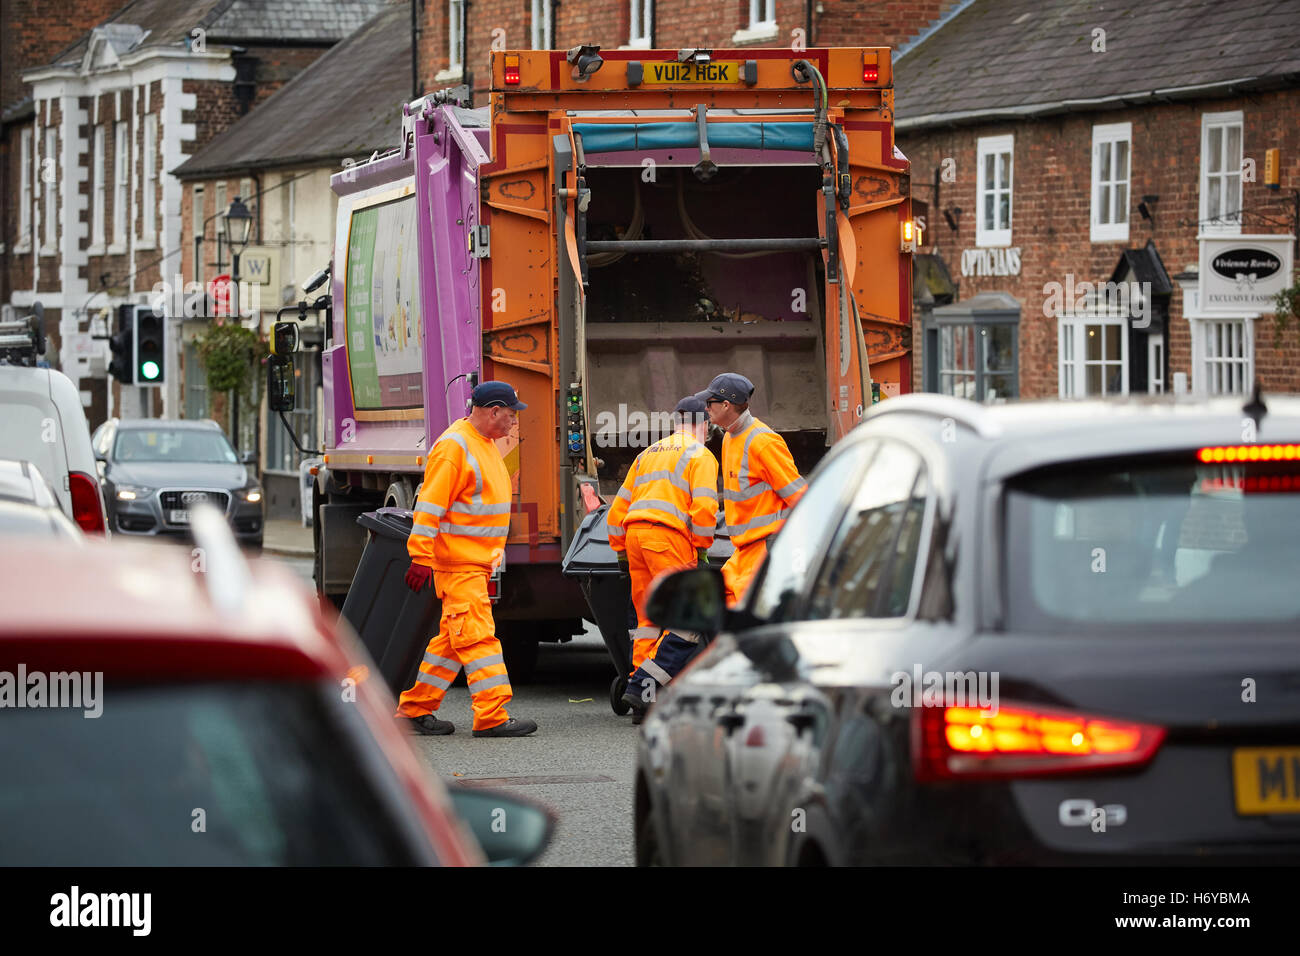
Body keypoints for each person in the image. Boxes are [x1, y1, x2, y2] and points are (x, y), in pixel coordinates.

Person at [395, 381, 538, 738]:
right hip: (460, 565)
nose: (513, 421)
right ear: (493, 411)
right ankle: (491, 715)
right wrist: (420, 557)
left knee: (451, 641)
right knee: (478, 638)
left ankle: (414, 710)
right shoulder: (454, 447)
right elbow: (429, 507)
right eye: (510, 414)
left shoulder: (484, 444)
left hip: (473, 563)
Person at [605, 395, 718, 718]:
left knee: (647, 623)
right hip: (669, 540)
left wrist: (621, 553)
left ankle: (644, 700)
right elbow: (705, 507)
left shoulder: (648, 453)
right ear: (704, 426)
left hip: (635, 539)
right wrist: (700, 547)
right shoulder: (701, 454)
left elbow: (617, 509)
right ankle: (641, 686)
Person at [703, 372, 807, 606]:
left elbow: (801, 498)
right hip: (744, 550)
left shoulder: (763, 442)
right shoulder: (730, 438)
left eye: (710, 403)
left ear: (726, 405)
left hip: (765, 548)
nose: (706, 408)